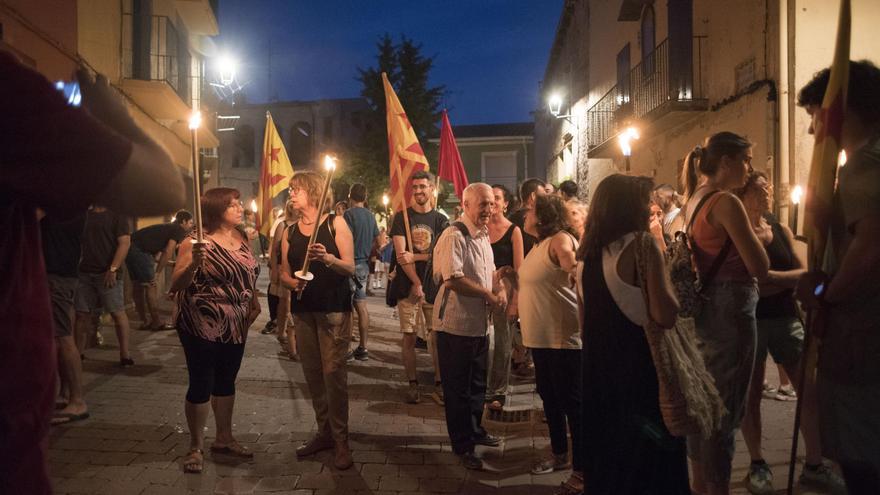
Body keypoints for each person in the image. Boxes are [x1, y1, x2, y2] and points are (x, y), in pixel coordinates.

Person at [0, 51, 184, 494]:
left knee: (103, 316)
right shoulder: (9, 92)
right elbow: (165, 185)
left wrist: (118, 268)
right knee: (79, 323)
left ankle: (98, 373)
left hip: (81, 277)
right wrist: (115, 114)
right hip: (8, 441)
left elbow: (128, 241)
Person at [795, 60, 880, 493]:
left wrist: (824, 292)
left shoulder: (864, 165)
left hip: (862, 340)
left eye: (816, 115)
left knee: (862, 462)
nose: (813, 130)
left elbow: (870, 248)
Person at [735, 172, 844, 494]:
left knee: (807, 390)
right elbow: (746, 281)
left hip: (785, 317)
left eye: (768, 187)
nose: (767, 192)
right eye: (760, 188)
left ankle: (814, 463)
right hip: (752, 320)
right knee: (752, 395)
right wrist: (778, 281)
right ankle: (757, 463)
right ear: (745, 194)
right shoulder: (739, 232)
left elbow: (802, 273)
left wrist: (771, 277)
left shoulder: (779, 228)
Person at [579, 174, 687, 494]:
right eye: (645, 200)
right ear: (628, 207)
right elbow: (665, 314)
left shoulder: (587, 256)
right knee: (651, 466)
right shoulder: (642, 245)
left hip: (599, 376)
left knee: (612, 464)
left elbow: (584, 324)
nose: (650, 207)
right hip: (639, 374)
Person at [680, 132, 769, 495]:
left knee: (705, 400)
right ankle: (718, 486)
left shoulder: (695, 198)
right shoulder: (726, 203)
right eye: (746, 160)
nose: (749, 168)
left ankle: (700, 484)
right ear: (727, 162)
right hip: (732, 307)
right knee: (726, 406)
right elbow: (759, 266)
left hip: (707, 305)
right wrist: (762, 237)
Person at [169, 188, 260, 474]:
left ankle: (224, 438)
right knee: (202, 381)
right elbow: (176, 284)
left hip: (237, 323)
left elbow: (248, 273)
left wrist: (254, 300)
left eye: (239, 203)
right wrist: (194, 263)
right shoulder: (195, 242)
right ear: (215, 209)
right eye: (232, 205)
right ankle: (196, 446)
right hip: (201, 323)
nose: (239, 208)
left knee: (226, 381)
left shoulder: (242, 237)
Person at [281, 171, 356, 470]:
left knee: (333, 374)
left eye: (296, 189)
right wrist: (292, 283)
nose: (291, 194)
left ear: (313, 192)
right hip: (304, 311)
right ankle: (324, 432)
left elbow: (350, 267)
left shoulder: (335, 223)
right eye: (290, 189)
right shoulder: (289, 231)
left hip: (333, 309)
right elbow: (283, 273)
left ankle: (341, 440)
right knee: (313, 374)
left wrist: (327, 259)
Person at [432, 183, 506, 470]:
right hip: (456, 325)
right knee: (458, 390)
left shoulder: (483, 235)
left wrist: (499, 285)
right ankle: (462, 445)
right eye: (482, 204)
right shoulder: (455, 235)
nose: (489, 209)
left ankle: (475, 430)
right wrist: (487, 294)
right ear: (465, 205)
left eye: (491, 203)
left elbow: (487, 272)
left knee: (477, 385)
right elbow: (453, 279)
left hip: (479, 325)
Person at [520, 194, 582, 493]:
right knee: (550, 399)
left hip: (562, 340)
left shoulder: (560, 240)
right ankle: (559, 455)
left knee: (572, 405)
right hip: (541, 340)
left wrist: (574, 270)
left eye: (530, 210)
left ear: (543, 216)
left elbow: (572, 264)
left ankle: (582, 470)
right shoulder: (538, 246)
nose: (525, 214)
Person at [390, 170, 448, 404]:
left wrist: (416, 257)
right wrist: (416, 282)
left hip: (434, 287)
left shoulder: (441, 220)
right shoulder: (401, 218)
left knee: (437, 337)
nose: (418, 191)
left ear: (432, 189)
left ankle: (439, 383)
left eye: (423, 186)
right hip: (408, 287)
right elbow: (401, 256)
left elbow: (443, 254)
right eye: (414, 187)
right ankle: (412, 383)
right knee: (409, 336)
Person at [41, 213, 90, 425]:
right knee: (61, 337)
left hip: (57, 275)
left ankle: (77, 400)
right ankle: (65, 394)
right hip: (62, 274)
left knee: (63, 338)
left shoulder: (59, 203)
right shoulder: (71, 203)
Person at [74, 205, 134, 366]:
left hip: (107, 272)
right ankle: (77, 354)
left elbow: (125, 243)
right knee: (81, 314)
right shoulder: (85, 215)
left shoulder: (117, 215)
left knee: (117, 312)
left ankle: (125, 355)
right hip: (85, 272)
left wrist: (113, 268)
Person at [485, 184, 523, 411]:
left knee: (502, 344)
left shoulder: (513, 231)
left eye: (497, 198)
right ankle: (483, 387)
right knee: (482, 341)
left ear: (506, 204)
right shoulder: (480, 228)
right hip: (482, 292)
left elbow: (519, 271)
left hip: (506, 294)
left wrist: (515, 303)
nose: (493, 203)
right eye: (490, 198)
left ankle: (498, 391)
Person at [126, 210, 193, 330]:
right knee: (151, 285)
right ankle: (156, 322)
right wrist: (157, 273)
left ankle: (144, 321)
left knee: (138, 286)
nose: (191, 226)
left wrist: (171, 264)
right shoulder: (178, 229)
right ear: (183, 221)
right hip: (140, 250)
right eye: (190, 223)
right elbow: (168, 251)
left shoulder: (166, 228)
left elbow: (156, 256)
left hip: (130, 246)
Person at [344, 183, 380, 361]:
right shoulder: (370, 216)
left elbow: (344, 239)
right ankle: (363, 347)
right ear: (365, 198)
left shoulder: (348, 215)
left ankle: (347, 349)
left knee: (347, 308)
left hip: (350, 264)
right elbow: (378, 241)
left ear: (350, 196)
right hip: (364, 266)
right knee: (362, 306)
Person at [267, 201, 298, 359]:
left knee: (291, 301)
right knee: (285, 301)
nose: (294, 208)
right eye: (291, 205)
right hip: (282, 266)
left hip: (297, 268)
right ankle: (282, 331)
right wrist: (274, 269)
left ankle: (289, 333)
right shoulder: (282, 224)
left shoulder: (304, 224)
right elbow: (274, 250)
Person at [509, 178, 546, 256]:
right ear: (533, 196)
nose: (546, 199)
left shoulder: (510, 218)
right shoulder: (535, 219)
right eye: (543, 195)